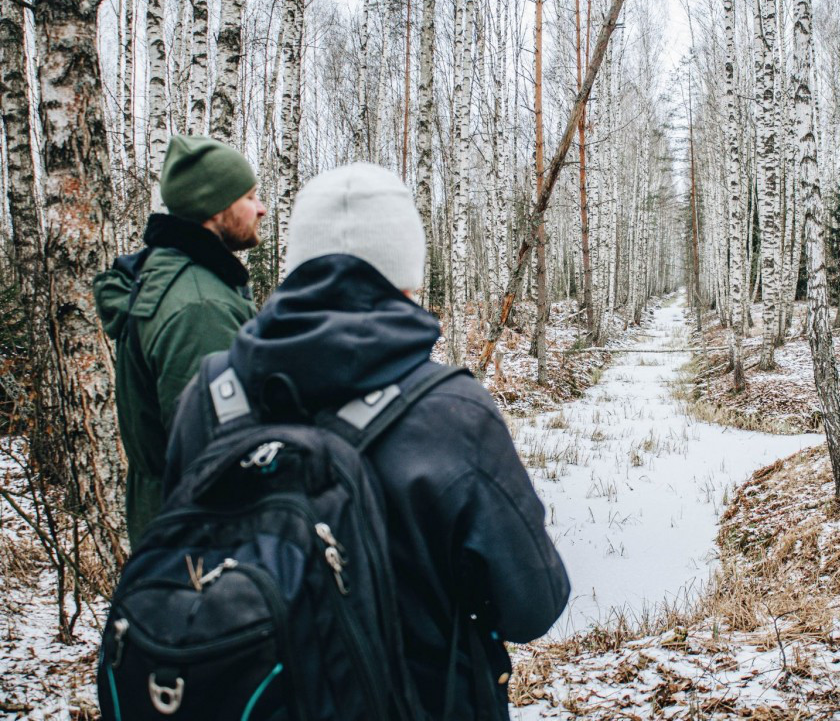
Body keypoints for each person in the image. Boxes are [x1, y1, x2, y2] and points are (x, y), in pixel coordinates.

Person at [161, 162, 570, 719]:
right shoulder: (451, 412)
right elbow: (531, 606)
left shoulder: (210, 392)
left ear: (295, 264)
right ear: (408, 272)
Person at [94, 135, 265, 545]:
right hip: (203, 541)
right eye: (249, 197)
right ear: (216, 208)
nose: (261, 208)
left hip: (171, 524)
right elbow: (216, 457)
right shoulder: (199, 306)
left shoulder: (171, 274)